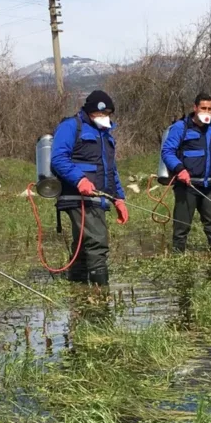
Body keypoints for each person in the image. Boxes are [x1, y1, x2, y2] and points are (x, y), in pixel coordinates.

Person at [50, 90, 128, 286]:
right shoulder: (70, 127)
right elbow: (58, 159)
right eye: (99, 114)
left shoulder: (105, 134)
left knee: (84, 244)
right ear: (88, 112)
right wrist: (80, 180)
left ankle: (78, 290)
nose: (103, 117)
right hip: (77, 196)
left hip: (98, 197)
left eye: (107, 113)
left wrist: (118, 198)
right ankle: (101, 294)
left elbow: (111, 169)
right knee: (97, 241)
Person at [161, 92, 211, 254]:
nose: (207, 112)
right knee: (181, 228)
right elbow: (167, 152)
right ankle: (177, 260)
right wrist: (179, 169)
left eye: (210, 109)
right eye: (203, 108)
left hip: (209, 187)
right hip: (187, 187)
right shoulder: (180, 128)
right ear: (195, 108)